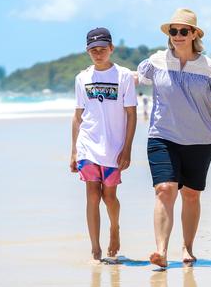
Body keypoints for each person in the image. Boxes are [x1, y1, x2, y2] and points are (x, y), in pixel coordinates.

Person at [137, 8, 211, 268]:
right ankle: (161, 251)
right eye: (173, 31)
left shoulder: (208, 66)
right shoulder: (156, 61)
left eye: (183, 31)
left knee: (191, 195)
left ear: (194, 34)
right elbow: (133, 80)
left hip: (199, 141)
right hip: (162, 136)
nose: (178, 36)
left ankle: (187, 247)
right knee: (165, 189)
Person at [70, 27, 137, 261]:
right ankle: (95, 249)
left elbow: (131, 114)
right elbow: (78, 116)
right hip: (88, 144)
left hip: (113, 147)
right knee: (92, 196)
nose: (98, 54)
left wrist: (127, 148)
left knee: (109, 197)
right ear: (87, 51)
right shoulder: (82, 78)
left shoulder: (124, 76)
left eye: (102, 49)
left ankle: (114, 228)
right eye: (93, 50)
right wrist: (74, 151)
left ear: (111, 49)